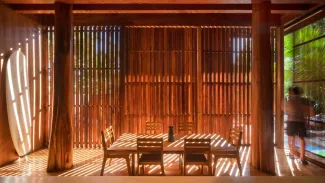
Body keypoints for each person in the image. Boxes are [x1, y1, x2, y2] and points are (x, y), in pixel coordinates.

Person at [284, 86, 312, 165]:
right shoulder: (303, 101)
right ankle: (302, 158)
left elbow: (285, 109)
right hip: (301, 121)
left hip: (291, 121)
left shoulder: (289, 101)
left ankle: (292, 153)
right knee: (301, 139)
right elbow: (308, 111)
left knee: (291, 138)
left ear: (292, 92)